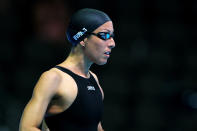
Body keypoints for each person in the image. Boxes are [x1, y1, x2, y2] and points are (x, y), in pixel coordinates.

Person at [19, 8, 115, 131]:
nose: (112, 43)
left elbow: (95, 127)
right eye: (105, 35)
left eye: (112, 36)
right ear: (83, 39)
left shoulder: (94, 80)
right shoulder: (54, 78)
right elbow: (26, 127)